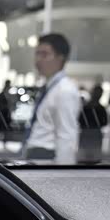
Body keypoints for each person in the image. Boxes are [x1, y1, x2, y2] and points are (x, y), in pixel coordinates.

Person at [24, 33, 80, 164]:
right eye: (37, 54)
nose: (38, 60)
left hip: (46, 159)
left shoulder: (65, 90)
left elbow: (66, 136)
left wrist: (62, 172)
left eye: (44, 54)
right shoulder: (50, 87)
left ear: (60, 58)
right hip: (38, 157)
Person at [78, 86, 108, 164]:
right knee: (92, 159)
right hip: (93, 134)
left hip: (87, 133)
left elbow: (80, 121)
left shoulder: (85, 108)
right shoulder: (100, 109)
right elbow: (104, 122)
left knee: (86, 159)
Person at [0, 80, 13, 149]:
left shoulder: (8, 94)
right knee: (0, 129)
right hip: (3, 114)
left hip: (6, 114)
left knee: (5, 129)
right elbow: (0, 105)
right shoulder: (2, 94)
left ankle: (4, 142)